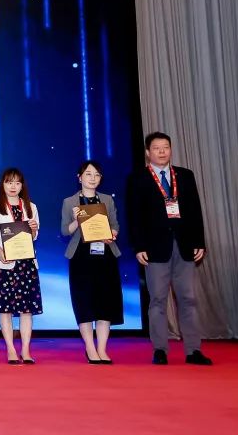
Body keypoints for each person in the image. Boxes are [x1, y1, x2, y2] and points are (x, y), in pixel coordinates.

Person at [126, 132, 211, 365]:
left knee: (188, 299)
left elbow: (195, 210)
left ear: (171, 149)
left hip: (184, 245)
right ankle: (160, 349)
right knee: (157, 300)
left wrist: (199, 242)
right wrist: (139, 246)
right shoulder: (138, 178)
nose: (162, 151)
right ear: (148, 152)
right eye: (156, 148)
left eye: (166, 147)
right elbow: (134, 216)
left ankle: (193, 350)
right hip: (154, 248)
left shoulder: (185, 175)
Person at [61, 160, 123, 364]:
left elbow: (115, 226)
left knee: (105, 302)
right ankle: (90, 347)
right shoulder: (70, 202)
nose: (93, 178)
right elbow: (64, 231)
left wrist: (112, 234)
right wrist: (76, 220)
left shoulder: (107, 200)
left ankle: (102, 349)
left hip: (105, 255)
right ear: (79, 178)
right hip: (81, 256)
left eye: (97, 175)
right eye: (88, 174)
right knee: (84, 302)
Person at [0, 168, 42, 364]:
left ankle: (26, 350)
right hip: (5, 264)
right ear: (3, 185)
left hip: (26, 264)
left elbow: (34, 236)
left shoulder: (31, 207)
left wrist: (34, 230)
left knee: (27, 310)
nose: (13, 186)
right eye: (9, 182)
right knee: (5, 309)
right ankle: (10, 349)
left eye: (17, 182)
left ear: (22, 185)